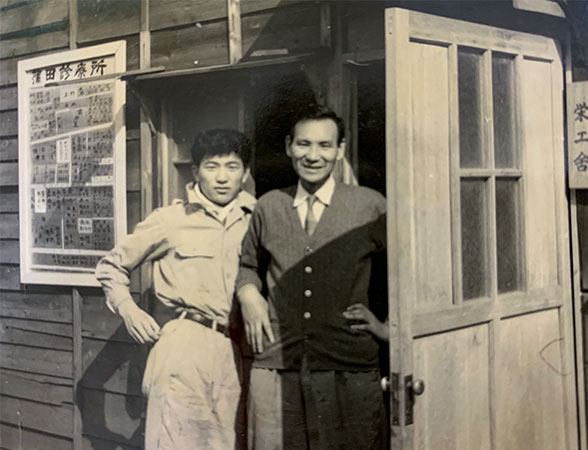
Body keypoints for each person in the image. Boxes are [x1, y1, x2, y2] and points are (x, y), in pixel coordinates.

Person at [236, 104, 389, 450]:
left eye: (324, 145)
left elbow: (412, 268)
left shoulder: (370, 205)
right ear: (289, 146)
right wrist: (248, 294)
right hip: (277, 363)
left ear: (340, 150)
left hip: (348, 365)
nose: (313, 155)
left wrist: (387, 328)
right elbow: (248, 265)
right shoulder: (269, 206)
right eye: (304, 144)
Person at [95, 129, 255, 450]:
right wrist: (129, 309)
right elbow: (111, 266)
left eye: (232, 166)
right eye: (211, 166)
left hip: (237, 352)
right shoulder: (170, 219)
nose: (222, 177)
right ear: (195, 171)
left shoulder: (257, 218)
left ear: (246, 173)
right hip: (185, 346)